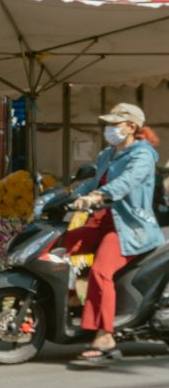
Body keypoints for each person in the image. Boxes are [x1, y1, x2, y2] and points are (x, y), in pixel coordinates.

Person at [65, 102, 163, 363]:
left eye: (114, 124)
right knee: (61, 247)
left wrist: (99, 194)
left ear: (131, 127)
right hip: (103, 221)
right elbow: (93, 181)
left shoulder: (142, 155)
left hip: (130, 227)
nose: (109, 128)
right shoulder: (106, 155)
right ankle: (73, 299)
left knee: (100, 271)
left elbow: (127, 181)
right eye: (108, 124)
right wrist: (65, 196)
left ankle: (106, 336)